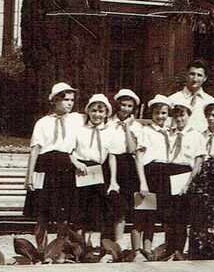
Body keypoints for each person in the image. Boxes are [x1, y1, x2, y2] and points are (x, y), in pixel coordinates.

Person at [23, 82, 84, 232]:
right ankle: (41, 245)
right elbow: (35, 149)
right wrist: (29, 177)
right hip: (45, 165)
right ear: (55, 100)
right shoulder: (43, 122)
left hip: (65, 166)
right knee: (42, 212)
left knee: (64, 213)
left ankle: (61, 245)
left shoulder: (77, 119)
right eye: (66, 99)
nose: (70, 103)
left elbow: (99, 116)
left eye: (72, 100)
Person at [68, 93, 115, 246]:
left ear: (106, 113)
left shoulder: (110, 131)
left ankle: (96, 245)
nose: (97, 114)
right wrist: (76, 163)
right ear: (88, 111)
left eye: (101, 111)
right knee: (80, 208)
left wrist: (113, 180)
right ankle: (78, 246)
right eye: (94, 110)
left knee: (97, 209)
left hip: (99, 171)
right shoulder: (79, 129)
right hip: (81, 170)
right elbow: (69, 150)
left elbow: (112, 155)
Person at [106, 88, 149, 252]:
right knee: (118, 209)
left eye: (129, 106)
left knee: (135, 208)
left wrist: (128, 128)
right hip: (112, 166)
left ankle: (137, 250)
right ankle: (117, 245)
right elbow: (109, 150)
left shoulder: (137, 127)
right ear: (118, 105)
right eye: (123, 105)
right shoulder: (109, 123)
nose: (125, 109)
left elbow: (132, 150)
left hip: (131, 167)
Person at [164, 99, 205, 258]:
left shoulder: (196, 135)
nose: (179, 119)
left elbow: (198, 162)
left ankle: (178, 250)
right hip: (169, 172)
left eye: (182, 115)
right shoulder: (169, 133)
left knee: (181, 215)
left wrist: (188, 183)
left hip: (185, 174)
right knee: (169, 215)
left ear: (188, 116)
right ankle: (169, 249)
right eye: (176, 116)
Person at [133, 94, 173, 258]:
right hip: (149, 173)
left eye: (164, 113)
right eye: (157, 113)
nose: (160, 116)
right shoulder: (145, 131)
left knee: (153, 215)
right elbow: (139, 157)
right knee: (141, 214)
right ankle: (136, 251)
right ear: (151, 114)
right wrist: (143, 182)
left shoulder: (169, 132)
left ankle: (148, 250)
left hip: (164, 174)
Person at [167, 60, 214, 132]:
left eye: (199, 75)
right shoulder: (173, 99)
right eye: (192, 74)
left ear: (205, 78)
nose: (195, 79)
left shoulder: (210, 101)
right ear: (186, 75)